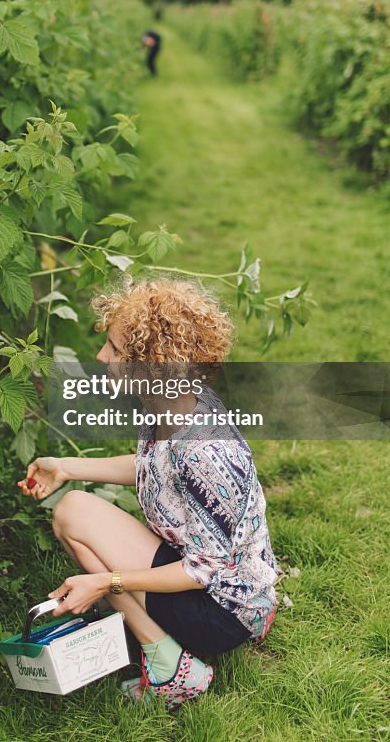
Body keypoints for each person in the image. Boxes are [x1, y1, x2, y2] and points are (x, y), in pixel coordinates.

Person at [17, 276, 279, 712]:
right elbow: (155, 469)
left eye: (117, 350)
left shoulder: (205, 451)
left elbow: (204, 571)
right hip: (215, 578)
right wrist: (66, 467)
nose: (102, 356)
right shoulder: (172, 405)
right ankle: (161, 635)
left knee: (82, 534)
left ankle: (172, 669)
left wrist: (106, 582)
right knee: (73, 510)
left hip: (223, 609)